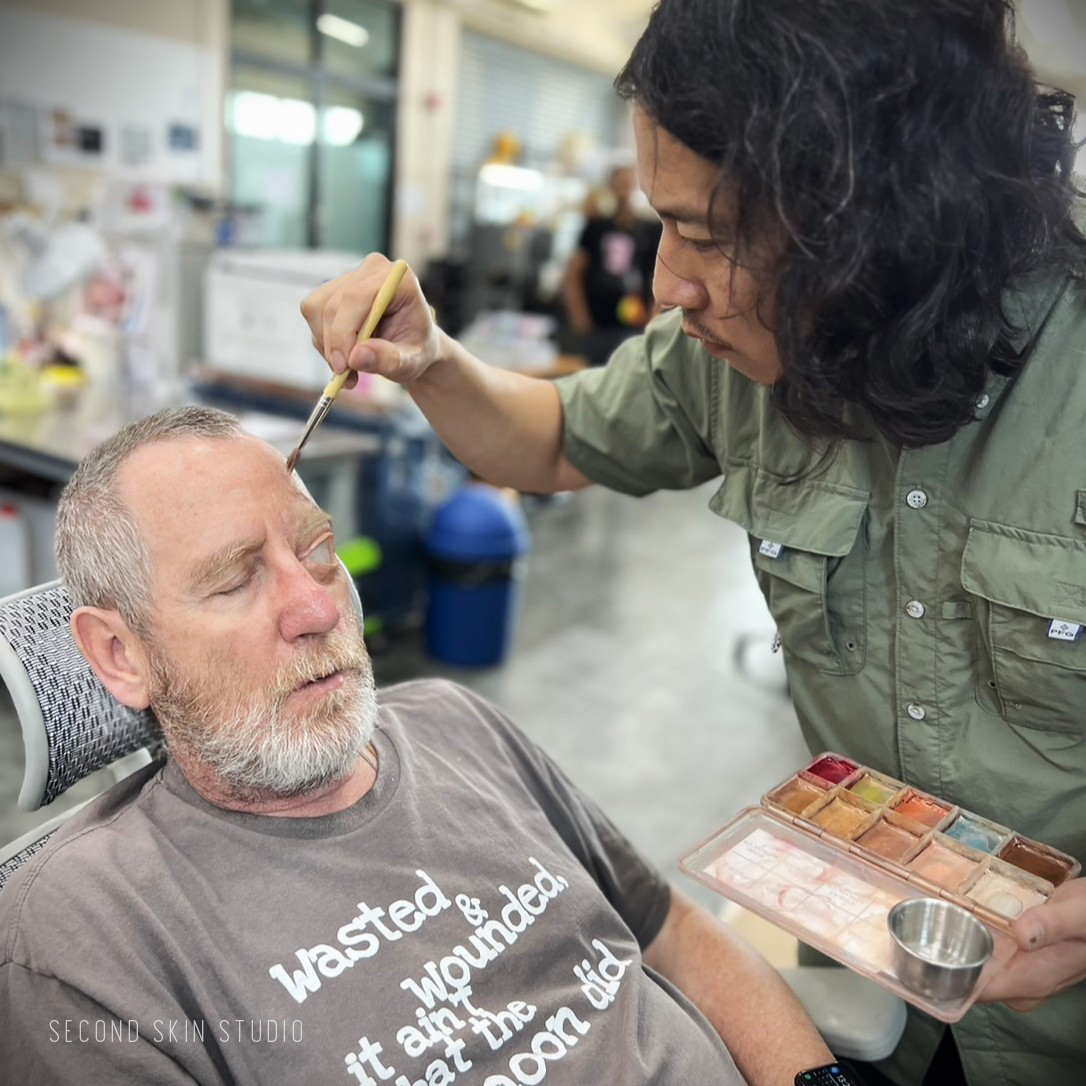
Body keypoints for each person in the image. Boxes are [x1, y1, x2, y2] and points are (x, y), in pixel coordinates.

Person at [300, 1, 1086, 1082]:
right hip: (871, 991)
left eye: (710, 238)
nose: (668, 285)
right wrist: (431, 358)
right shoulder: (731, 349)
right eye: (663, 227)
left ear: (876, 227)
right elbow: (554, 436)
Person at [0, 406, 834, 1084]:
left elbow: (668, 929)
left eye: (317, 550)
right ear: (121, 654)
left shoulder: (454, 721)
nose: (320, 607)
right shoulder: (89, 933)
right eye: (235, 580)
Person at [562, 165, 661, 365]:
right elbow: (573, 274)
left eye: (628, 184)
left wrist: (654, 317)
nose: (623, 190)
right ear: (610, 188)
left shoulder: (649, 230)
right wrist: (579, 316)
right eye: (618, 184)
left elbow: (658, 275)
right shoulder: (595, 227)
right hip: (598, 322)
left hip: (635, 321)